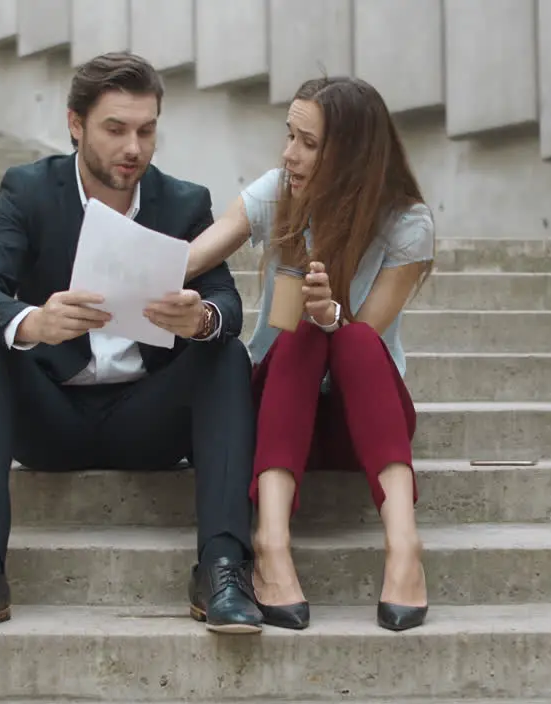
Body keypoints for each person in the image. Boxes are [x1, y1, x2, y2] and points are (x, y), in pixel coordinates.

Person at [0, 52, 263, 636]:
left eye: (146, 129)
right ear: (75, 125)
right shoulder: (28, 190)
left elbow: (227, 305)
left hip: (148, 420)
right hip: (51, 417)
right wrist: (31, 322)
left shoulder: (183, 202)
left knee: (226, 353)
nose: (133, 147)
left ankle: (223, 568)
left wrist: (201, 318)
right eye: (115, 129)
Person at [184, 76, 434, 632]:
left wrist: (333, 316)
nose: (288, 153)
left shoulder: (407, 223)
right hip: (276, 412)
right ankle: (271, 544)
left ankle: (404, 549)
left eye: (307, 143)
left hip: (361, 422)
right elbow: (197, 254)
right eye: (288, 135)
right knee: (298, 335)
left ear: (351, 155)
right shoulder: (277, 191)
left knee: (348, 337)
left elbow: (363, 340)